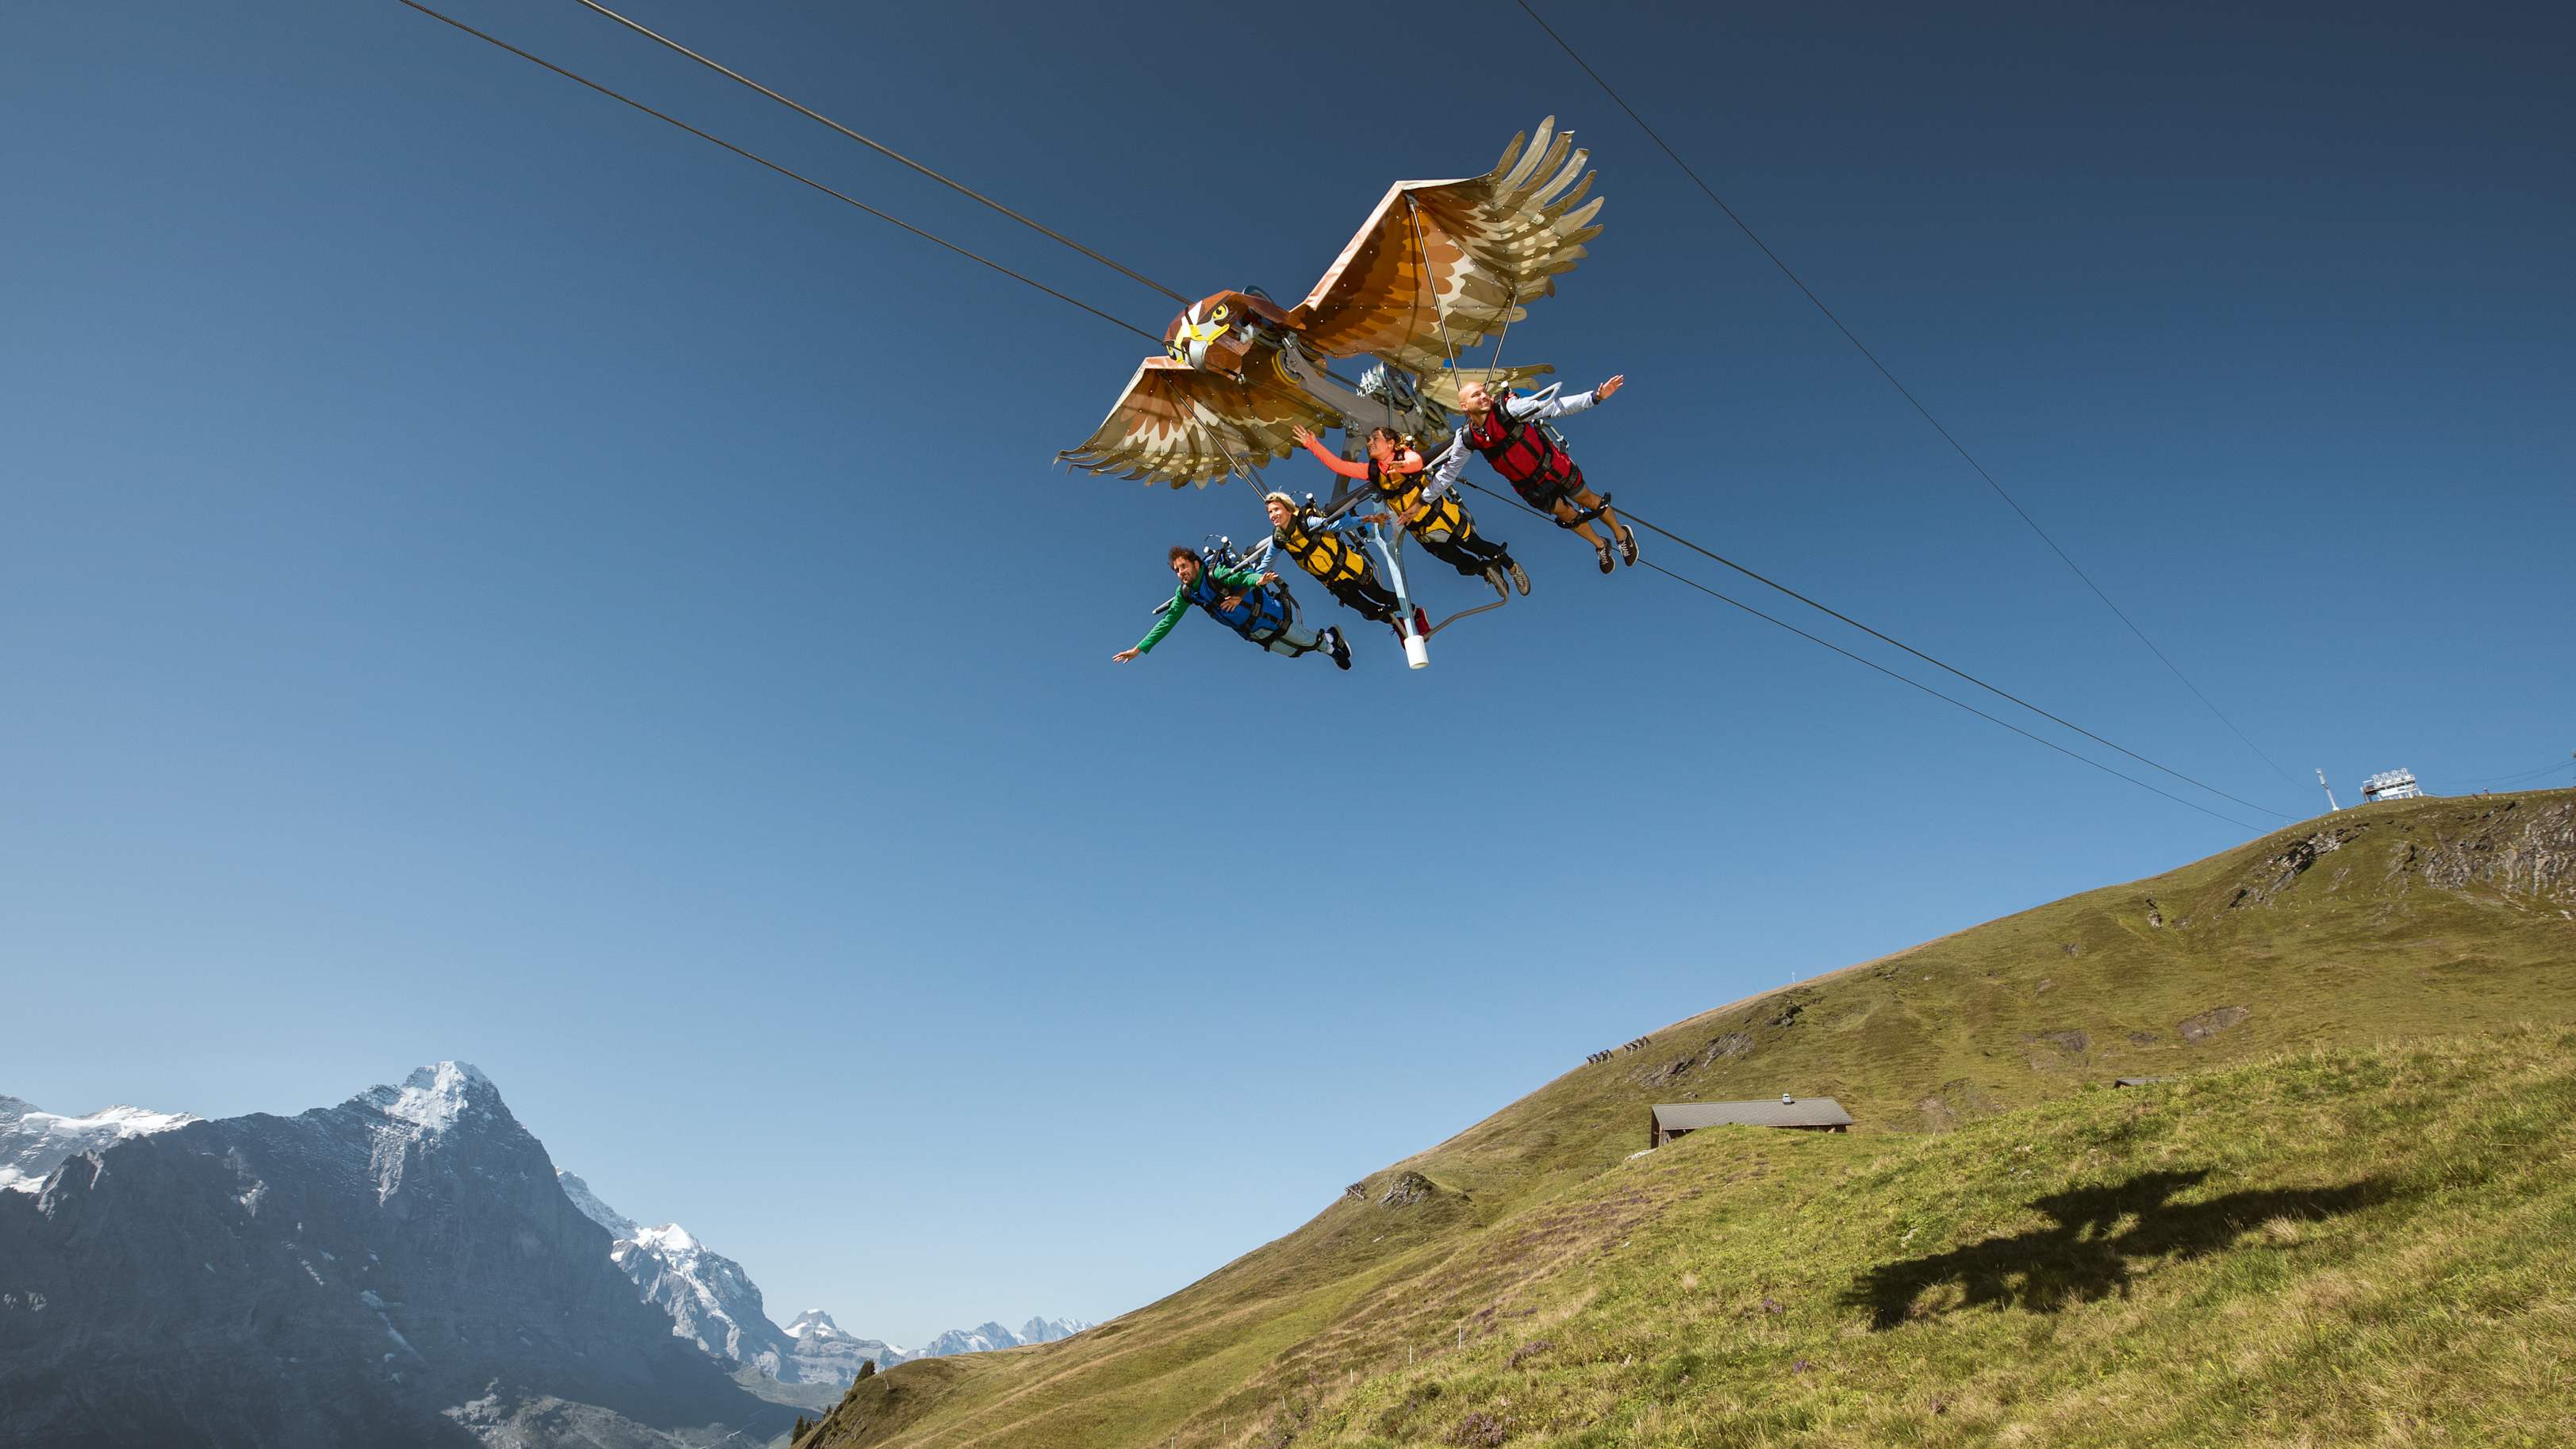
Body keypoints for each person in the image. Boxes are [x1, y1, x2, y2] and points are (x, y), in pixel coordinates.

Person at [1290, 425, 1527, 600]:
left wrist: (1403, 466)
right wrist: (1313, 445)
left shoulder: (1404, 455)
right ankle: (1487, 572)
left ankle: (1512, 566)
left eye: (1375, 439)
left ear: (1390, 443)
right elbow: (1340, 466)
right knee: (1463, 564)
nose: (1370, 443)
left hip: (1444, 519)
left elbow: (1416, 462)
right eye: (1369, 441)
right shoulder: (1373, 472)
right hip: (1424, 533)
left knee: (1479, 546)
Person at [1428, 374, 1635, 574]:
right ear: (1464, 406)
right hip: (1530, 486)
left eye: (1484, 392)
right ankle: (1600, 544)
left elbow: (1553, 407)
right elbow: (1449, 472)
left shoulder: (1509, 409)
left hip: (1552, 466)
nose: (1483, 396)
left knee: (1586, 498)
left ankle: (1621, 534)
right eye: (1476, 395)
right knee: (1565, 514)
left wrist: (1595, 397)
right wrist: (1423, 500)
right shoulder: (1466, 438)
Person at [1113, 546, 1351, 669]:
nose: (1181, 572)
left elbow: (1240, 577)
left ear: (1196, 564)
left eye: (1184, 566)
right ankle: (1329, 642)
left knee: (1306, 640)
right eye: (1177, 570)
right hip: (1251, 630)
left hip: (1269, 614)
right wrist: (1139, 649)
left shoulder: (1214, 574)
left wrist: (1258, 580)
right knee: (1294, 652)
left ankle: (1330, 643)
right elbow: (1167, 622)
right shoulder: (1186, 594)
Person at [1257, 491, 1413, 638]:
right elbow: (1266, 564)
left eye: (1276, 509)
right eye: (1269, 512)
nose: (1273, 515)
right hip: (1336, 583)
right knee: (1371, 612)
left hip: (1351, 568)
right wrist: (1249, 581)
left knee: (1380, 596)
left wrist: (1366, 519)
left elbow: (1335, 525)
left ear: (1288, 509)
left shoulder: (1306, 521)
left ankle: (1414, 612)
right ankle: (1396, 624)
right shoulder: (1279, 539)